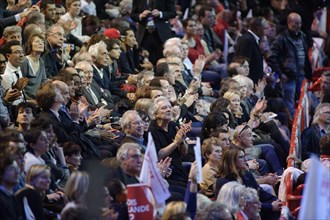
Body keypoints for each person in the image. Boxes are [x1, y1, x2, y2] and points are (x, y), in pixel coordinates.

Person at [215, 148, 282, 220]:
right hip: (237, 214)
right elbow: (241, 205)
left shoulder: (246, 174)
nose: (245, 160)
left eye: (244, 156)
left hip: (253, 209)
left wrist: (276, 201)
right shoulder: (223, 182)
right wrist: (270, 206)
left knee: (277, 211)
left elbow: (260, 191)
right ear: (231, 161)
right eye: (241, 157)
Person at [268, 12, 312, 117]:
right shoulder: (281, 38)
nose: (297, 26)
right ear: (288, 22)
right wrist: (280, 73)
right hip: (288, 77)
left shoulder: (302, 36)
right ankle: (292, 126)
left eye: (299, 23)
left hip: (301, 75)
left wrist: (308, 73)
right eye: (295, 24)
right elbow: (271, 56)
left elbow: (305, 56)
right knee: (289, 104)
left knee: (304, 102)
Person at [148, 96, 191, 188]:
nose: (168, 110)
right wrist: (175, 143)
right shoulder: (151, 131)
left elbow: (184, 153)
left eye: (169, 107)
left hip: (178, 166)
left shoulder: (173, 125)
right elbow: (158, 155)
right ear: (156, 114)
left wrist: (182, 140)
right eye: (164, 108)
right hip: (165, 172)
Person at [131, 0, 176, 65]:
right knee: (146, 62)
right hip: (144, 35)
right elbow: (133, 15)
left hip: (161, 35)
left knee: (161, 62)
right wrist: (141, 15)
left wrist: (160, 13)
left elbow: (172, 13)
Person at [235, 17, 266, 84]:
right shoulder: (248, 40)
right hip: (248, 83)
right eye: (264, 28)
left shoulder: (251, 39)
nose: (265, 31)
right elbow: (243, 62)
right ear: (257, 28)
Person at [21, 33, 48, 99]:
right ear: (30, 45)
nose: (41, 44)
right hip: (26, 98)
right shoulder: (25, 61)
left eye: (42, 42)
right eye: (37, 41)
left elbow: (44, 81)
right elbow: (20, 86)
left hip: (38, 98)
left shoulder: (41, 61)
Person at [0, 154, 21, 220]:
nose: (17, 172)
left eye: (17, 168)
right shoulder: (1, 200)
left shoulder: (11, 195)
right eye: (11, 169)